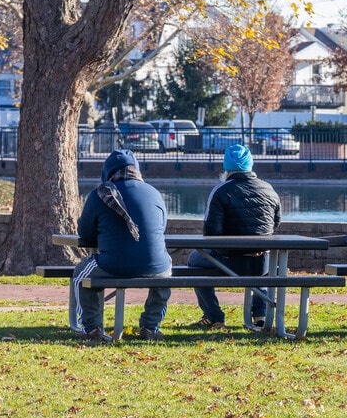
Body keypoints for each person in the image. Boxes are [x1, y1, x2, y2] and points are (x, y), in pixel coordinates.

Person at [70, 149, 172, 341]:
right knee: (166, 270)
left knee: (80, 275)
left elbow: (85, 233)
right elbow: (162, 226)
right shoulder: (154, 193)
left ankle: (90, 329)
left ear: (108, 171)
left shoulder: (100, 194)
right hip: (155, 266)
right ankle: (150, 327)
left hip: (113, 264)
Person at [187, 144, 281, 329]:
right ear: (250, 165)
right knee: (265, 258)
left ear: (226, 167)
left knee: (194, 259)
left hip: (229, 262)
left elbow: (211, 233)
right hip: (262, 262)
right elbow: (275, 224)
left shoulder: (221, 191)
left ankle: (214, 315)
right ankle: (260, 312)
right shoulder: (269, 189)